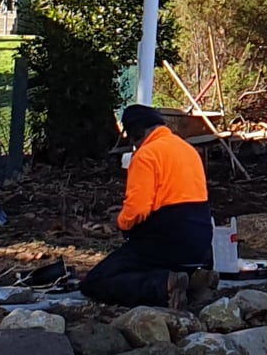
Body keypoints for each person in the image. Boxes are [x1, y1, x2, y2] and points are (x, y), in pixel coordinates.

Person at [80, 105, 215, 308]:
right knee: (155, 263)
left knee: (96, 281)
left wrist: (120, 223)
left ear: (136, 134)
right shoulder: (188, 150)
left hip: (167, 239)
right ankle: (194, 280)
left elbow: (138, 210)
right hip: (201, 241)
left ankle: (163, 286)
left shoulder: (146, 155)